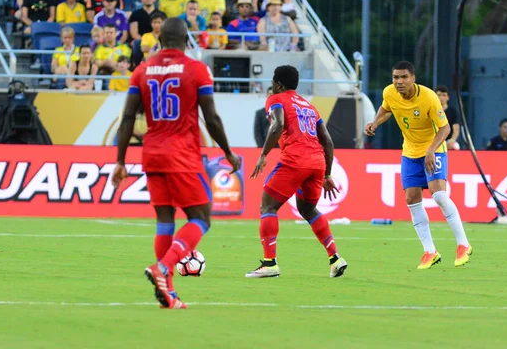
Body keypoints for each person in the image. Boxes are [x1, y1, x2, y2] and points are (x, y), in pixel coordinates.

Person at [111, 17, 240, 309]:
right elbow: (212, 117)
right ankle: (164, 267)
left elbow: (129, 117)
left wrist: (120, 160)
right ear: (186, 41)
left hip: (151, 153)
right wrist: (228, 151)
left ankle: (168, 293)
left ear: (159, 40)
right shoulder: (196, 70)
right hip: (182, 154)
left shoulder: (142, 71)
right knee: (201, 217)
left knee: (165, 220)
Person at [365, 61, 472, 269]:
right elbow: (386, 108)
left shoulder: (429, 97)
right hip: (410, 152)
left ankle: (463, 244)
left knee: (439, 195)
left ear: (413, 78)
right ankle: (430, 251)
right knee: (411, 198)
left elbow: (445, 128)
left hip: (434, 149)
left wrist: (431, 150)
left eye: (404, 77)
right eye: (395, 77)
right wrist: (375, 122)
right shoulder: (389, 92)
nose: (399, 82)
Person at [246, 65, 346, 278]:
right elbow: (327, 141)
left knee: (268, 206)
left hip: (295, 160)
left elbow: (277, 124)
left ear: (278, 84)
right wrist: (327, 174)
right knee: (309, 211)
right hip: (317, 162)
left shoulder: (276, 99)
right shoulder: (309, 106)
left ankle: (269, 263)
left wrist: (263, 155)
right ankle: (335, 259)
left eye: (274, 83)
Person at [435, 85, 460, 150]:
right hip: (433, 141)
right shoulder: (431, 111)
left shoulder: (453, 112)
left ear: (448, 97)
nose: (441, 97)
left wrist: (452, 140)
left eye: (444, 95)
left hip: (448, 141)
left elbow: (456, 129)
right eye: (439, 95)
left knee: (456, 146)